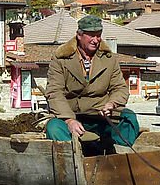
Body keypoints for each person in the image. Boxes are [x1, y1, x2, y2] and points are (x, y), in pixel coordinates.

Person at [44, 14, 139, 152]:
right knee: (54, 128)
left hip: (100, 115)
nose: (95, 40)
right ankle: (73, 160)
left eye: (98, 35)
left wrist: (112, 103)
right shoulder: (61, 59)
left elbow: (120, 88)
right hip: (71, 114)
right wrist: (69, 120)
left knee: (129, 118)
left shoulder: (109, 58)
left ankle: (117, 158)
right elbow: (54, 92)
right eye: (91, 36)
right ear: (79, 35)